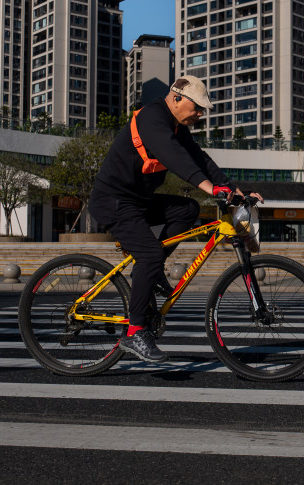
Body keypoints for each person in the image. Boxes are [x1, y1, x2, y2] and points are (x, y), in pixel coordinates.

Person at [89, 75, 261, 363]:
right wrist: (209, 188)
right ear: (177, 98)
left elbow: (198, 157)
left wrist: (234, 189)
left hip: (139, 202)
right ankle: (134, 332)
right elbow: (174, 158)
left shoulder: (176, 125)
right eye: (197, 108)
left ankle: (151, 271)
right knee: (150, 255)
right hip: (114, 202)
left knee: (187, 210)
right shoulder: (152, 118)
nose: (200, 114)